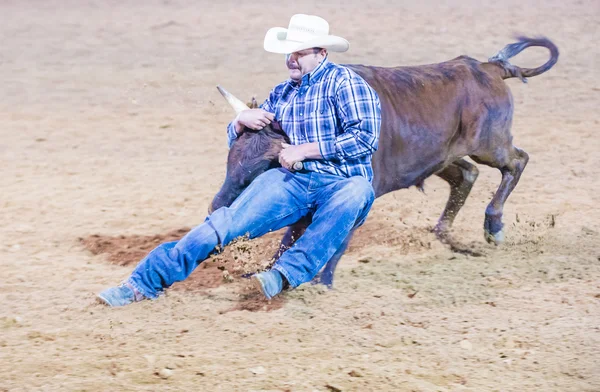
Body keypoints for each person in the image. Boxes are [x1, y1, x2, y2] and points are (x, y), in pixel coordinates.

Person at [97, 14, 381, 307]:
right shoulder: (281, 94)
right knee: (224, 225)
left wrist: (304, 150)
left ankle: (284, 274)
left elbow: (365, 139)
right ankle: (141, 284)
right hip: (290, 181)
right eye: (289, 52)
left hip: (342, 182)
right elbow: (253, 147)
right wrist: (239, 123)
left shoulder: (346, 84)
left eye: (300, 52)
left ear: (322, 53)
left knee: (359, 190)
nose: (291, 59)